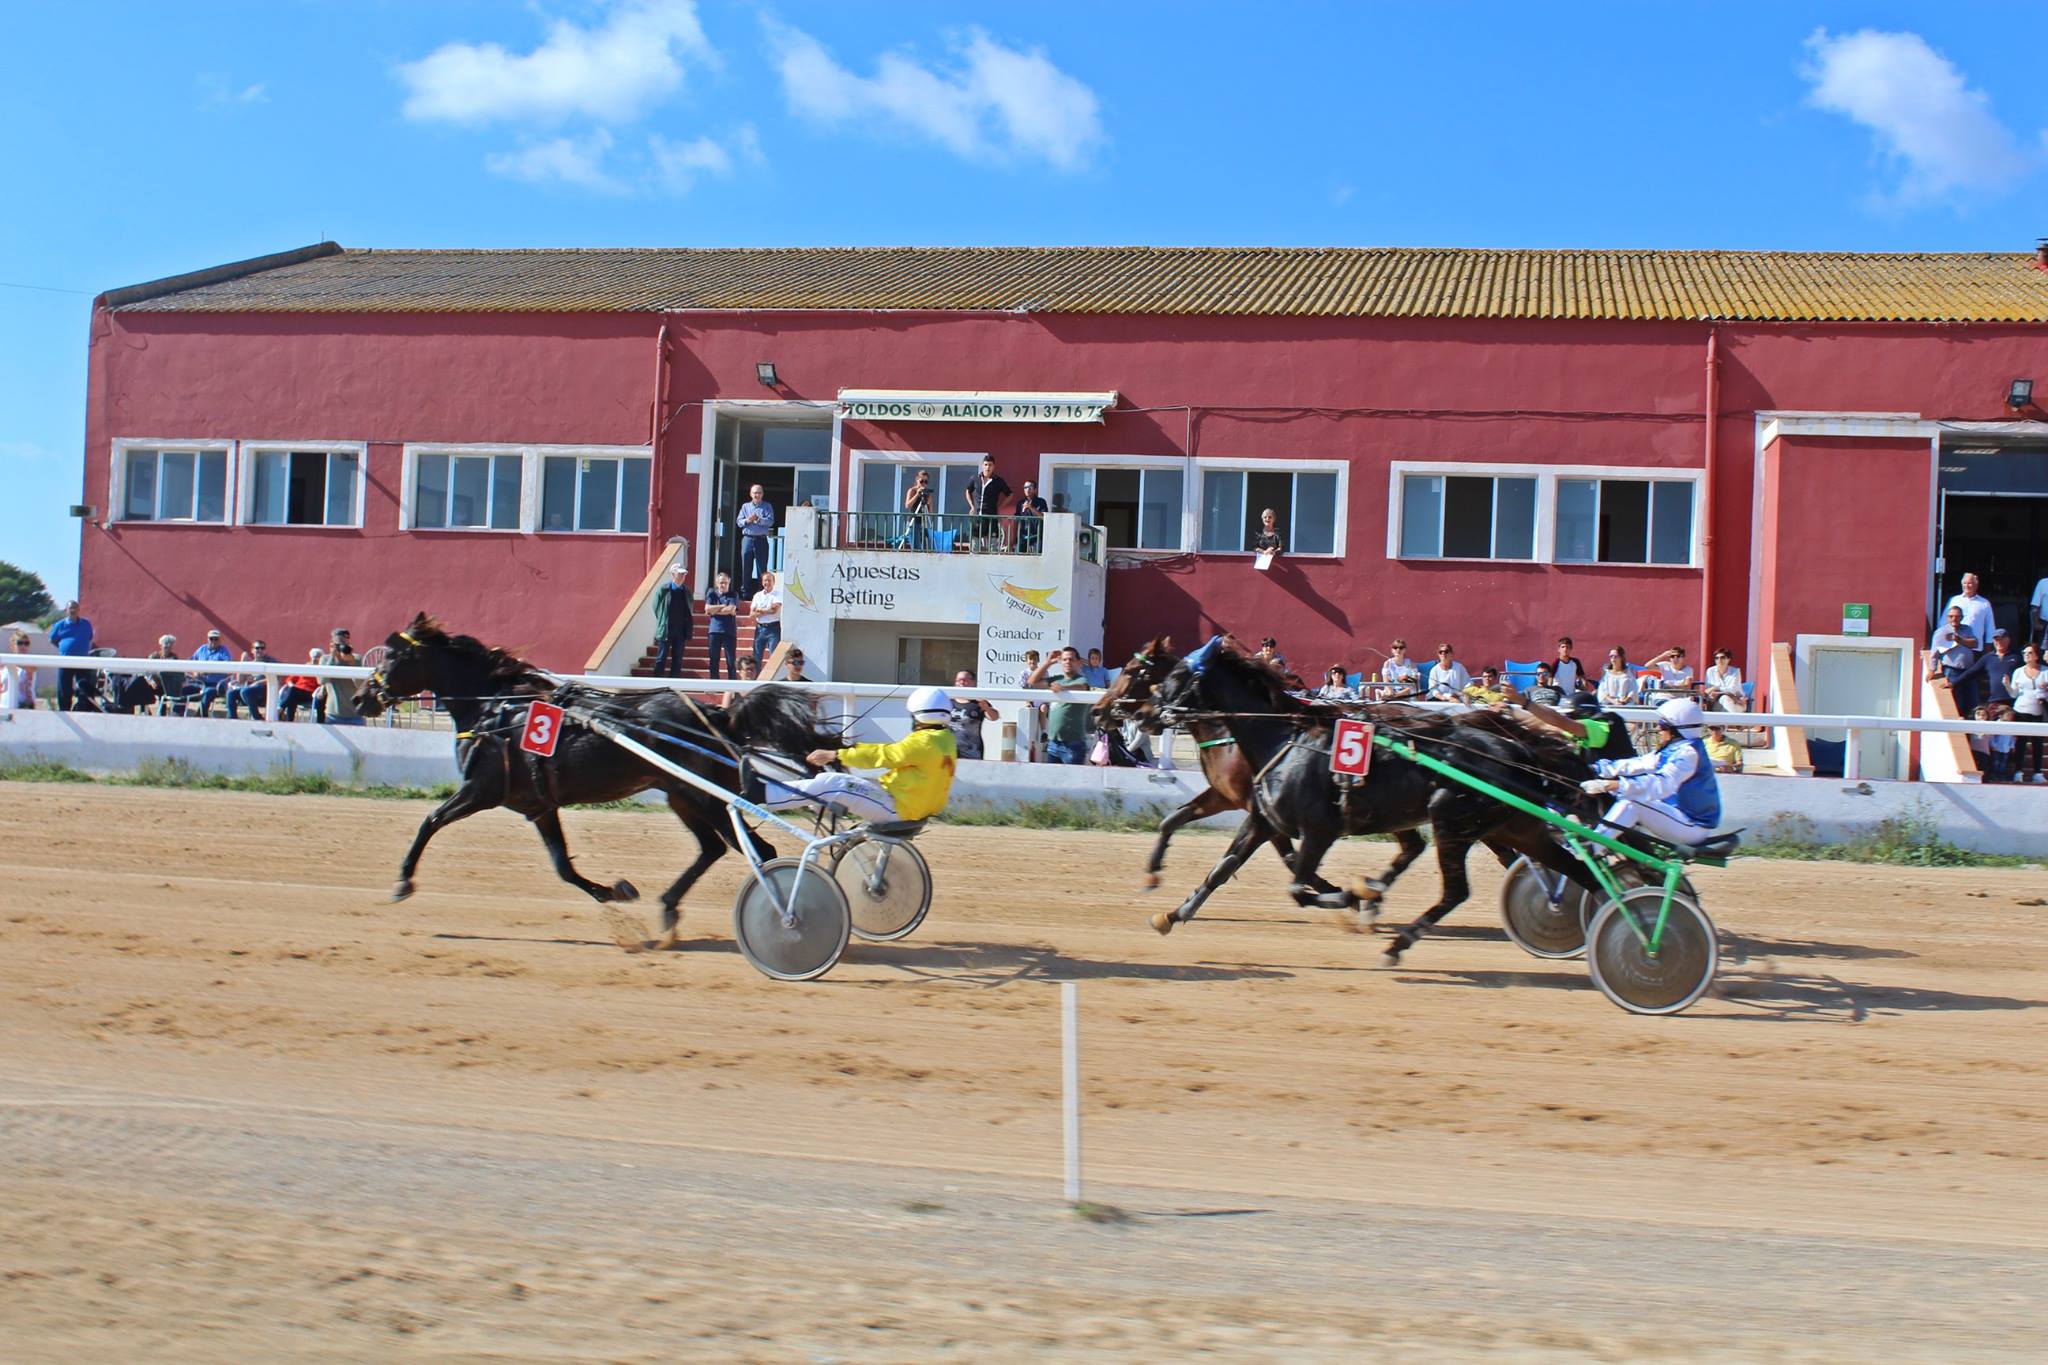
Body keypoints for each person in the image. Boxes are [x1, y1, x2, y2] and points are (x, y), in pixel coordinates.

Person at [785, 687, 959, 825]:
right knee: (850, 786)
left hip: (898, 808)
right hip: (918, 806)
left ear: (917, 716)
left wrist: (836, 754)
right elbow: (889, 752)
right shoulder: (947, 739)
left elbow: (882, 755)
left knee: (832, 782)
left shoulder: (923, 742)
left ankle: (770, 796)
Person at [1579, 697, 1723, 849]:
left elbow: (1661, 784)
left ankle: (1593, 847)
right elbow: (1639, 763)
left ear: (1678, 729)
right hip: (1677, 817)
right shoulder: (1676, 748)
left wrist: (1612, 784)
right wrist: (1597, 768)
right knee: (1620, 796)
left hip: (1692, 825)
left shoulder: (1687, 754)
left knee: (1632, 802)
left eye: (1662, 725)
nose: (1659, 729)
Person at [1038, 646, 1092, 764]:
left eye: (1071, 659)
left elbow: (1082, 687)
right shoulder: (1057, 679)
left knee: (1073, 781)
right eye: (1064, 659)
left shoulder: (1081, 680)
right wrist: (1048, 663)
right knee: (1052, 781)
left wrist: (1063, 688)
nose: (1067, 662)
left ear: (1078, 662)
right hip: (1053, 743)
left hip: (1073, 745)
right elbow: (1033, 682)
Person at [2004, 641, 2048, 782]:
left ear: (2036, 655)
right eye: (2024, 653)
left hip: (2038, 711)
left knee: (2037, 743)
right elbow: (2013, 694)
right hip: (2021, 710)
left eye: (2030, 653)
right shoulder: (2018, 672)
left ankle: (2037, 773)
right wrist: (2006, 685)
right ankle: (2018, 771)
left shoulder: (2045, 671)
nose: (2027, 655)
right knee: (2021, 742)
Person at [1927, 604, 1980, 712]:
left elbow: (1975, 644)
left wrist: (1960, 640)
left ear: (1961, 617)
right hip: (1952, 671)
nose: (1954, 619)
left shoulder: (1967, 629)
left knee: (1973, 701)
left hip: (1968, 670)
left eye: (1957, 616)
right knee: (1956, 701)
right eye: (1951, 616)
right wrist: (1932, 670)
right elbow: (1934, 653)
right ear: (1947, 617)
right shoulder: (1941, 632)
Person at [48, 600, 94, 712]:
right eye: (71, 608)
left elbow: (89, 638)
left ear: (79, 610)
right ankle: (65, 710)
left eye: (75, 608)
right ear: (66, 610)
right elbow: (53, 640)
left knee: (84, 687)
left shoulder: (86, 624)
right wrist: (65, 648)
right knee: (64, 688)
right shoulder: (60, 625)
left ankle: (84, 709)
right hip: (66, 661)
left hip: (82, 661)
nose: (73, 610)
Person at [652, 563, 694, 679]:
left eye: (683, 574)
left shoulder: (687, 591)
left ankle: (674, 683)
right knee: (661, 657)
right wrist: (662, 620)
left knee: (677, 658)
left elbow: (690, 608)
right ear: (673, 574)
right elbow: (655, 606)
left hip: (680, 630)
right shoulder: (664, 589)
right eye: (679, 574)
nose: (682, 577)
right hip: (666, 629)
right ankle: (657, 682)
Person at [964, 456, 1012, 550]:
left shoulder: (998, 481)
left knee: (993, 547)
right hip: (977, 517)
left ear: (994, 466)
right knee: (974, 546)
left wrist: (1000, 507)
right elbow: (967, 491)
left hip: (991, 517)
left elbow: (1010, 494)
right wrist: (972, 506)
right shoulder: (975, 478)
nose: (987, 467)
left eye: (990, 465)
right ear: (982, 466)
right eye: (986, 465)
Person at [948, 669, 997, 760]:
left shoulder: (978, 702)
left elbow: (994, 717)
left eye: (965, 680)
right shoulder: (948, 702)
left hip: (971, 751)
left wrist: (986, 708)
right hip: (948, 749)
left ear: (973, 682)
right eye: (959, 680)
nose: (962, 682)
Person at [1944, 572, 1996, 656]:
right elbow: (1943, 623)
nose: (1966, 586)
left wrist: (1988, 648)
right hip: (1954, 648)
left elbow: (1990, 627)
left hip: (1975, 649)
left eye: (1970, 583)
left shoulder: (1984, 603)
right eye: (1964, 583)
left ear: (1976, 585)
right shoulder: (1954, 600)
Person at [737, 483, 776, 593]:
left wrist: (758, 520)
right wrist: (748, 520)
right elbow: (739, 522)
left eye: (759, 493)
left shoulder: (767, 506)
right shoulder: (745, 507)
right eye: (754, 493)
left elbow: (770, 522)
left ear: (762, 494)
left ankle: (762, 592)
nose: (757, 495)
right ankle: (745, 592)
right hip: (747, 539)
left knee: (761, 568)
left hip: (761, 540)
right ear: (750, 494)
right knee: (746, 567)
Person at [225, 638, 276, 720]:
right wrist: (243, 661)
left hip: (263, 692)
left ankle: (257, 717)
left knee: (246, 691)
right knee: (231, 693)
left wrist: (258, 682)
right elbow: (240, 680)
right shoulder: (250, 664)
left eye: (262, 648)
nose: (260, 650)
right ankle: (232, 719)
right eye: (257, 648)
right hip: (247, 691)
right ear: (252, 650)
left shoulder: (270, 662)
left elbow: (275, 679)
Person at [701, 570, 739, 680]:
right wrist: (723, 606)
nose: (723, 585)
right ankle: (714, 684)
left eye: (725, 583)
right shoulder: (712, 595)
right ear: (717, 583)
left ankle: (732, 686)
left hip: (729, 631)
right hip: (714, 631)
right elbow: (707, 609)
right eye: (721, 582)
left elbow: (731, 609)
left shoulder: (733, 595)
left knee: (731, 661)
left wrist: (714, 610)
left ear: (729, 583)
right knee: (714, 660)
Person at [190, 629, 235, 717]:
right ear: (208, 639)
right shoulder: (202, 649)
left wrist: (209, 671)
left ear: (220, 640)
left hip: (216, 684)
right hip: (199, 683)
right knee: (182, 690)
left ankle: (201, 716)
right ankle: (176, 714)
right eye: (211, 639)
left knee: (207, 692)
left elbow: (228, 666)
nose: (213, 641)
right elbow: (192, 661)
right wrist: (195, 672)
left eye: (216, 639)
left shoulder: (224, 651)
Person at [145, 634, 191, 714]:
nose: (167, 648)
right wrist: (151, 681)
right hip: (154, 684)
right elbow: (146, 671)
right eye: (165, 646)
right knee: (142, 687)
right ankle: (145, 711)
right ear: (161, 646)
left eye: (169, 646)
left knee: (167, 691)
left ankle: (164, 713)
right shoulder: (154, 656)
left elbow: (175, 674)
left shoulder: (173, 658)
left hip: (166, 685)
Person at [1014, 649, 1043, 761]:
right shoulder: (1024, 673)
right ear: (1027, 661)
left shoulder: (1042, 671)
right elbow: (1023, 686)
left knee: (1043, 709)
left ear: (1038, 660)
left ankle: (1043, 732)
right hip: (1029, 698)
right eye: (1030, 660)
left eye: (1034, 659)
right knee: (1028, 711)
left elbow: (1044, 684)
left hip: (1040, 699)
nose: (1032, 662)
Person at [749, 570, 783, 663]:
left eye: (769, 580)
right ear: (762, 582)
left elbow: (774, 610)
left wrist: (760, 610)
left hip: (773, 628)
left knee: (774, 657)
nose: (767, 583)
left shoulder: (778, 594)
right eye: (765, 580)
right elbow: (751, 614)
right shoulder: (757, 595)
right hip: (760, 629)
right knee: (756, 657)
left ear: (774, 582)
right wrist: (767, 610)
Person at [280, 651, 321, 722]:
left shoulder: (321, 669)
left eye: (317, 657)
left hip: (310, 693)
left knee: (292, 693)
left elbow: (322, 683)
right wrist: (291, 684)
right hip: (297, 692)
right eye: (313, 657)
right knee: (292, 698)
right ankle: (289, 721)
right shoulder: (304, 667)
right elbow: (289, 679)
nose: (314, 659)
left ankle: (281, 708)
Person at [1702, 648, 1746, 713]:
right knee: (1724, 699)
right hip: (1716, 704)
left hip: (1736, 703)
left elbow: (1732, 690)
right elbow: (1708, 690)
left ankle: (1731, 721)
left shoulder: (1735, 671)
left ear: (1728, 659)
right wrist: (1714, 691)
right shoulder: (1710, 671)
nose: (1719, 660)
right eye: (1717, 658)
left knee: (1725, 699)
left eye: (1722, 657)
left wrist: (1716, 689)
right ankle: (1734, 722)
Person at [1, 630, 37, 710]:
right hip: (4, 705)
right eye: (20, 643)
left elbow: (32, 669)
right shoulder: (4, 664)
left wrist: (8, 661)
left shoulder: (32, 662)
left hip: (24, 707)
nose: (23, 646)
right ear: (12, 645)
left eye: (26, 643)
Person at [903, 469, 936, 550]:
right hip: (914, 522)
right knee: (916, 548)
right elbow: (907, 505)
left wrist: (929, 502)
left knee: (927, 547)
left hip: (924, 523)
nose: (924, 484)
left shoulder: (927, 494)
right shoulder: (912, 490)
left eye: (926, 481)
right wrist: (917, 494)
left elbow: (931, 513)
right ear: (917, 480)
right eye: (922, 481)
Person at [1015, 479, 1048, 553]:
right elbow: (1017, 519)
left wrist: (1031, 507)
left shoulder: (1041, 502)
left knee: (1038, 557)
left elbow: (1043, 516)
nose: (1027, 489)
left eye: (1030, 487)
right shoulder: (1020, 503)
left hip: (1037, 535)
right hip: (1023, 535)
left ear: (1035, 490)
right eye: (1025, 487)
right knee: (1019, 555)